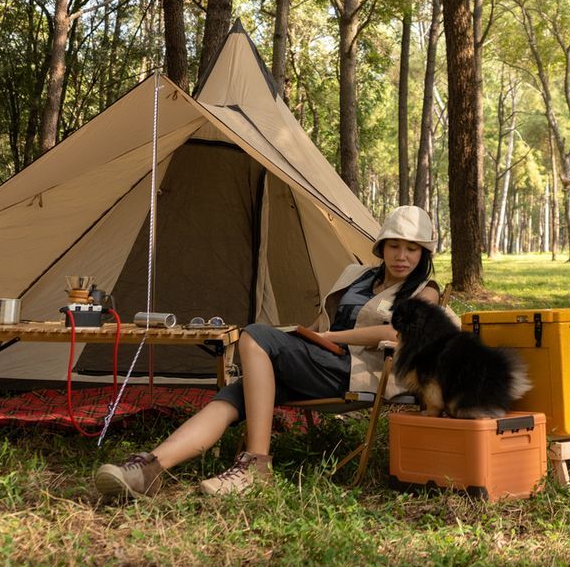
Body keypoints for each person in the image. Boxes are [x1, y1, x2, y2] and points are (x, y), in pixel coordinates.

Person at [93, 204, 442, 500]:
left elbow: (398, 330)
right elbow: (326, 320)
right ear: (381, 248)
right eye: (394, 245)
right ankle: (151, 468)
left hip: (360, 373)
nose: (402, 255)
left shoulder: (425, 292)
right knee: (235, 394)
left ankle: (256, 464)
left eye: (412, 248)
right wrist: (311, 337)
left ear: (423, 253)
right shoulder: (358, 276)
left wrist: (334, 335)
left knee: (258, 334)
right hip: (323, 361)